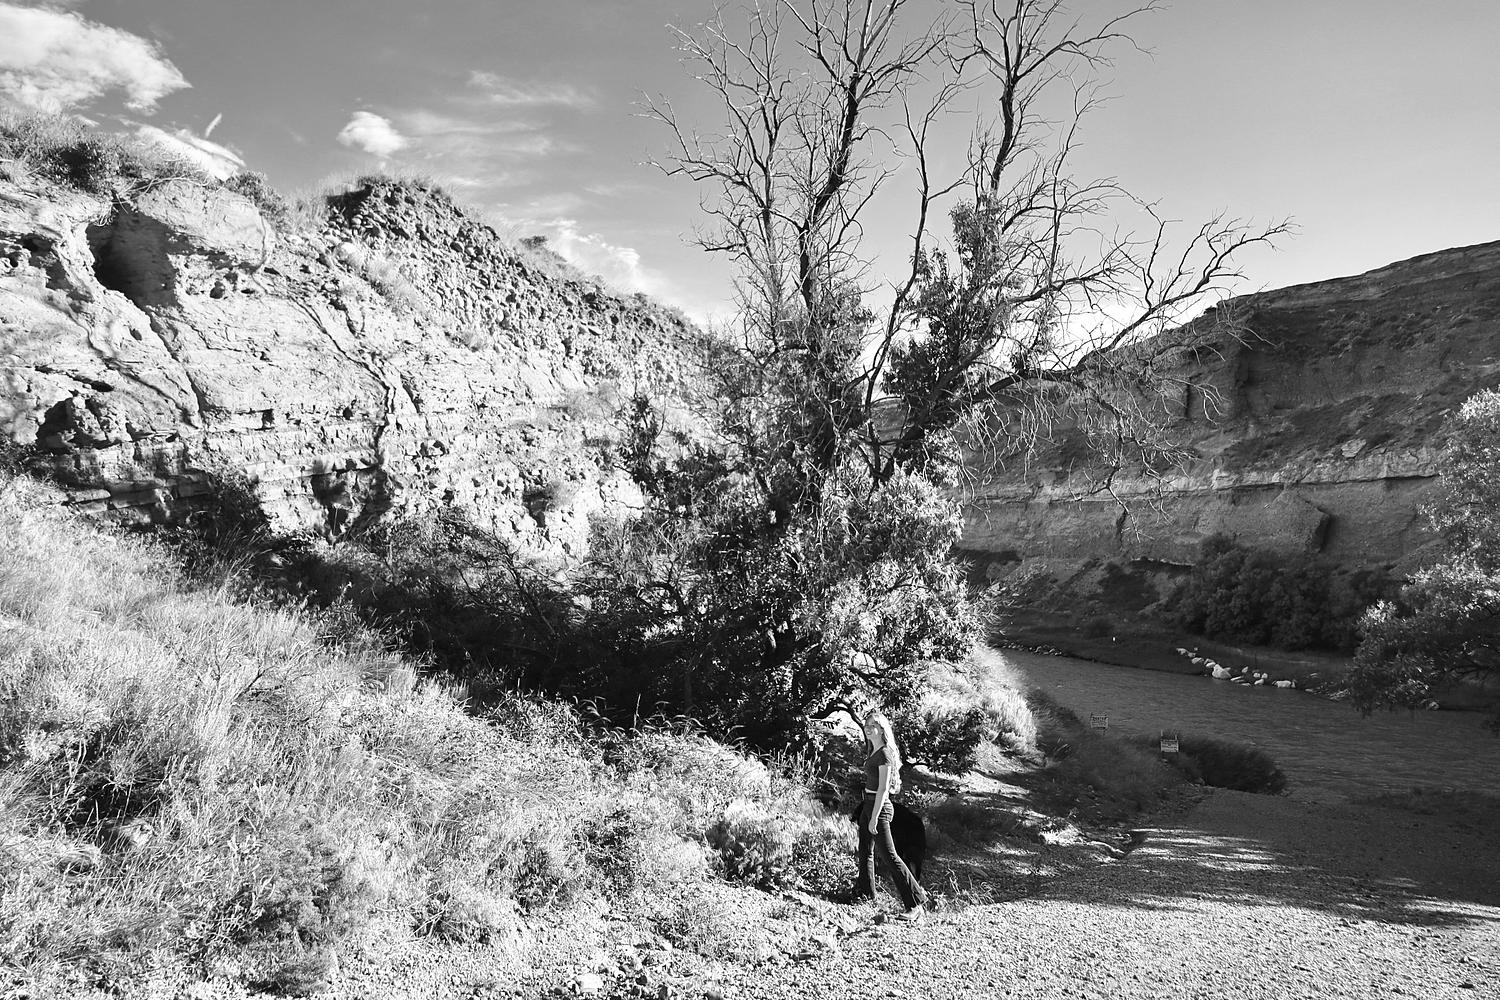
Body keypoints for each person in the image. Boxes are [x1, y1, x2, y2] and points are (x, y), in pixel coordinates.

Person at [856, 709, 928, 919]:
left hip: (879, 808)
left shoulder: (885, 754)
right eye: (867, 725)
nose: (868, 729)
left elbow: (883, 789)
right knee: (865, 851)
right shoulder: (873, 751)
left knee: (890, 856)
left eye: (873, 726)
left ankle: (915, 904)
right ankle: (865, 894)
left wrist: (874, 817)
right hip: (869, 804)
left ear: (882, 729)